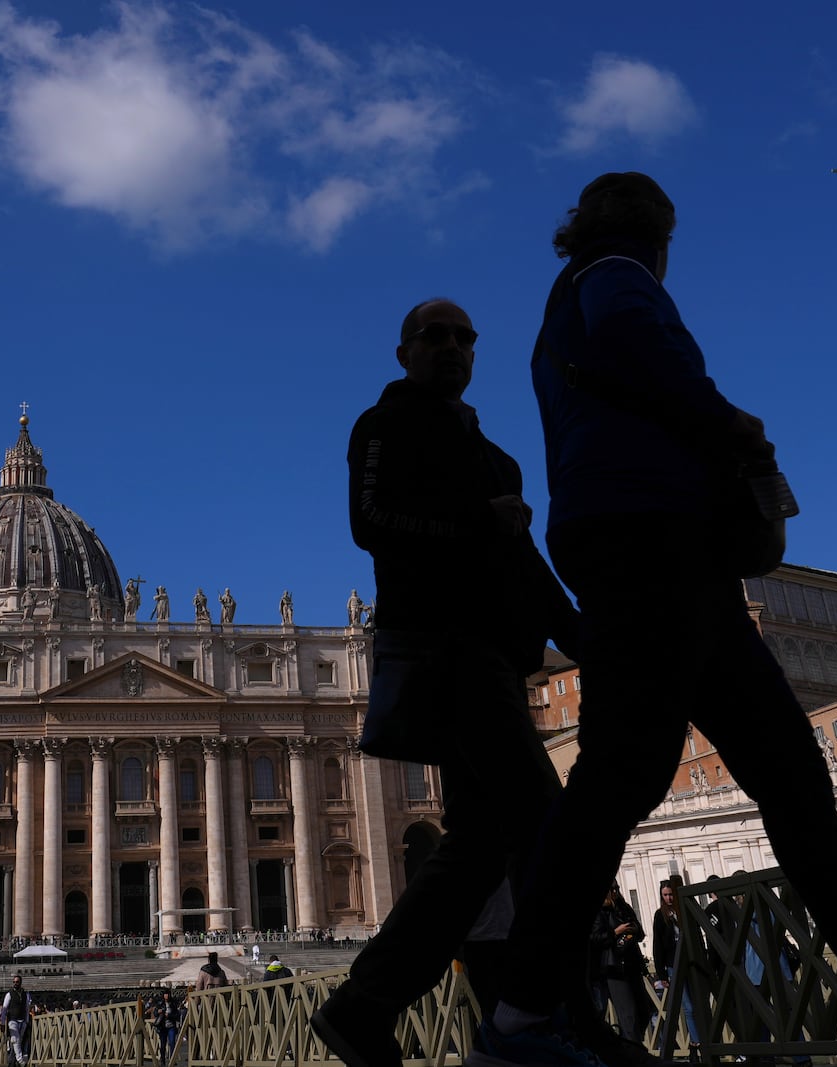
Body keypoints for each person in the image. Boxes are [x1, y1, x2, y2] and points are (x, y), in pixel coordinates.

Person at [471, 170, 837, 1067]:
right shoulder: (616, 277)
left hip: (645, 552)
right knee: (683, 787)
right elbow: (649, 354)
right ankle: (518, 1021)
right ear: (656, 233)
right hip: (659, 549)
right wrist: (737, 430)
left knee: (734, 783)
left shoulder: (563, 312)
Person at [310, 298, 579, 1067]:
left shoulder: (499, 459)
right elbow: (372, 524)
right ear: (404, 352)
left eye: (465, 337)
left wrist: (580, 636)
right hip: (440, 650)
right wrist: (475, 527)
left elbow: (523, 566)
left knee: (488, 838)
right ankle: (535, 1015)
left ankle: (371, 1005)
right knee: (541, 823)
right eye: (435, 335)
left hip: (496, 656)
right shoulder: (382, 425)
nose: (452, 347)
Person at [587, 888, 648, 1042]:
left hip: (632, 963)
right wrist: (615, 932)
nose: (615, 892)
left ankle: (630, 1046)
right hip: (614, 967)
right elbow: (595, 939)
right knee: (628, 1016)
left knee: (645, 1010)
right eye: (611, 889)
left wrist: (634, 929)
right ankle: (633, 1050)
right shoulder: (599, 911)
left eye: (617, 888)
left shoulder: (624, 907)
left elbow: (640, 932)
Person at [650, 882, 701, 1058]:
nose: (669, 898)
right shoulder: (660, 915)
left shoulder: (683, 911)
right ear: (661, 896)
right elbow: (657, 944)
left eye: (671, 894)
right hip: (673, 965)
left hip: (691, 962)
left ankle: (698, 1043)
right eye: (665, 895)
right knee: (687, 1006)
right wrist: (661, 972)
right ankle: (696, 1043)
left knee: (698, 1003)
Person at [0, 976, 29, 1066]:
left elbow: (27, 1007)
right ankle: (20, 1060)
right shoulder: (9, 994)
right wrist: (2, 1022)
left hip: (22, 1020)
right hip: (13, 1020)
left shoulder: (25, 994)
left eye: (17, 982)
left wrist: (26, 1020)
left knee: (18, 1041)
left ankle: (12, 1061)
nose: (15, 983)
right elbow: (4, 1009)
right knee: (15, 1039)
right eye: (14, 982)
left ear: (20, 982)